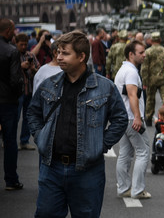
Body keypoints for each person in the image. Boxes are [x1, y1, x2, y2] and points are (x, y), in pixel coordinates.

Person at [27, 30, 128, 217]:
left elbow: (120, 119)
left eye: (65, 53)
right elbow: (33, 112)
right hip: (51, 168)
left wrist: (101, 144)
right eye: (58, 52)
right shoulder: (49, 85)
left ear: (81, 56)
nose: (59, 57)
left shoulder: (105, 87)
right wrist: (40, 136)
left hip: (87, 171)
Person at [114, 41, 152, 200]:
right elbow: (132, 95)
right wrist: (137, 117)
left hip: (124, 118)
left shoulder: (125, 69)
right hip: (131, 118)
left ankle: (123, 188)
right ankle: (137, 190)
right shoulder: (130, 72)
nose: (144, 55)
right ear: (131, 54)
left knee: (125, 153)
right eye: (141, 52)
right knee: (143, 151)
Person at [0, 18, 25, 191]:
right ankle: (10, 180)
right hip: (8, 102)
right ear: (8, 31)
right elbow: (16, 80)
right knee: (10, 141)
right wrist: (18, 95)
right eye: (14, 30)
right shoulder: (12, 51)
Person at [15, 33, 38, 150]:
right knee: (15, 117)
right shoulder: (13, 55)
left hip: (29, 90)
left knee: (27, 117)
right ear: (16, 44)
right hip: (17, 92)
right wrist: (20, 67)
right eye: (21, 45)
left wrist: (33, 68)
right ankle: (10, 140)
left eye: (25, 45)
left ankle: (24, 141)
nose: (24, 47)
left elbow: (39, 72)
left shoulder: (31, 55)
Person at [141, 32, 164, 124]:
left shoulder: (148, 52)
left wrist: (144, 81)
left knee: (150, 99)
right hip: (163, 79)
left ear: (152, 40)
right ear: (160, 40)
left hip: (151, 80)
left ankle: (149, 118)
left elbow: (144, 68)